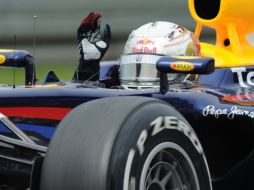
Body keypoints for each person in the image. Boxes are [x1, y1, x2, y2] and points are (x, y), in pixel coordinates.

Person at [73, 12, 200, 89]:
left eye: (153, 70)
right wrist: (88, 64)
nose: (139, 81)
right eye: (134, 67)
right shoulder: (115, 90)